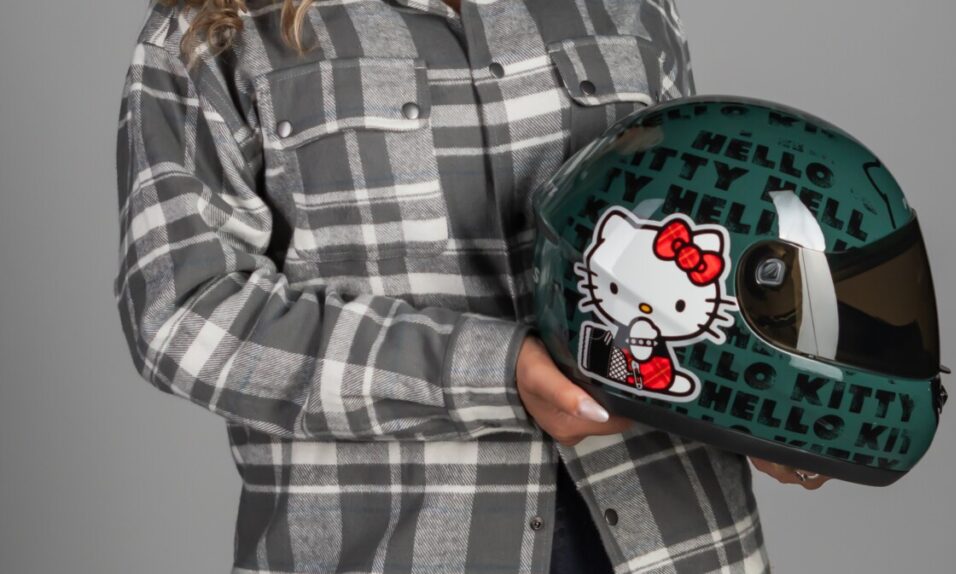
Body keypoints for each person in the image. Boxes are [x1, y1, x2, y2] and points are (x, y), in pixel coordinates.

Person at [113, 0, 826, 572]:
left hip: (683, 541)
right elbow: (183, 314)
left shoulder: (629, 7)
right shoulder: (216, 33)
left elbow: (692, 246)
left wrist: (763, 406)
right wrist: (490, 369)